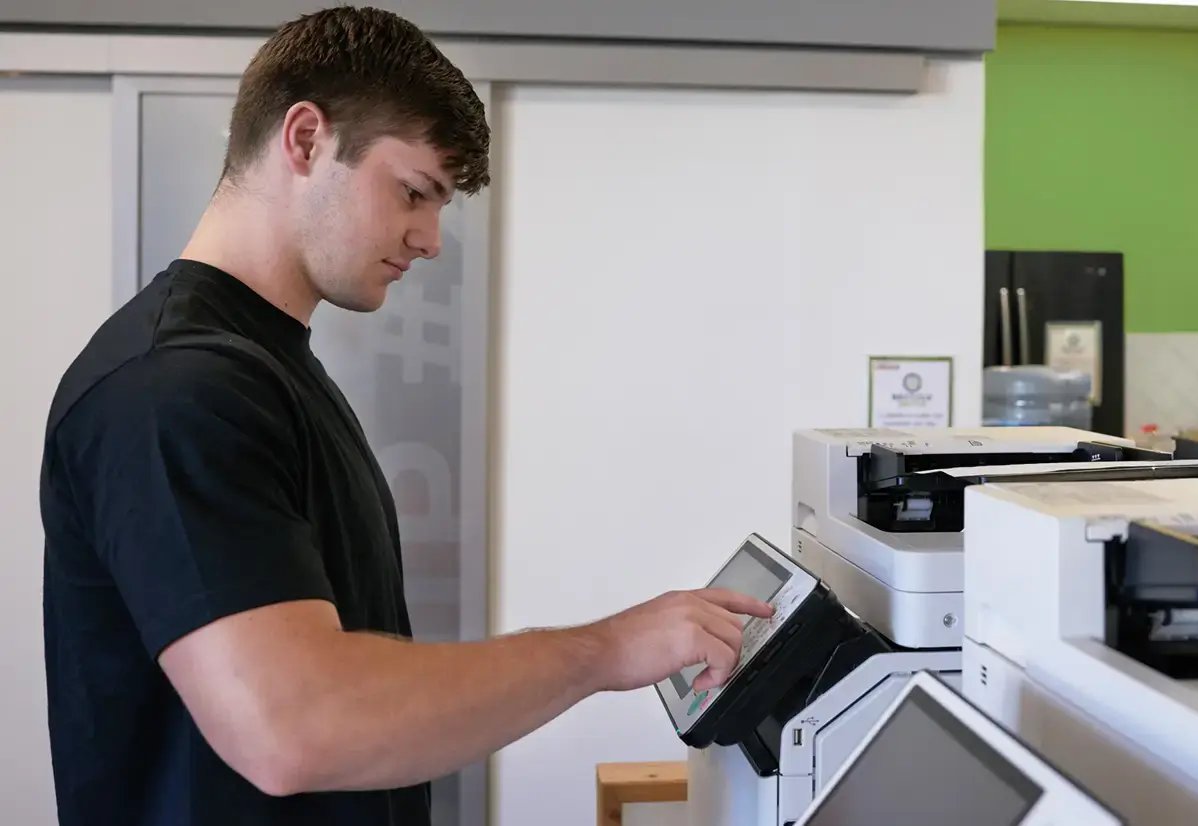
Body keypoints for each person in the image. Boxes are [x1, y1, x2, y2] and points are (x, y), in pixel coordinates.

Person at [38, 7, 771, 826]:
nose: (430, 240)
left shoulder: (268, 371)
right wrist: (606, 651)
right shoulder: (172, 388)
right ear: (305, 140)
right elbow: (297, 727)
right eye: (413, 193)